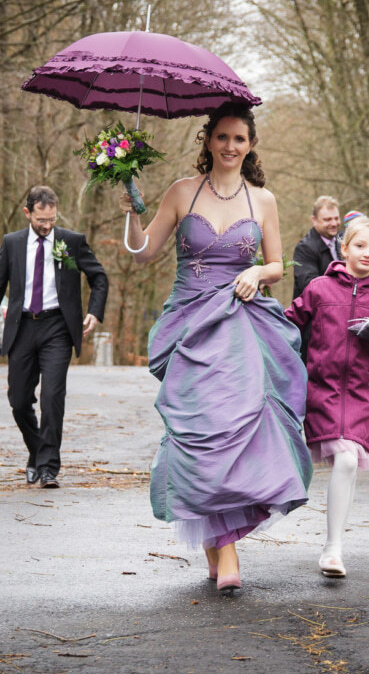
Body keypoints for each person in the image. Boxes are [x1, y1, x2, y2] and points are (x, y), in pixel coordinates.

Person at [120, 102, 312, 594]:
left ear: (250, 146)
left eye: (240, 139)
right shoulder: (182, 192)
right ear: (208, 140)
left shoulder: (262, 200)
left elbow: (277, 265)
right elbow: (144, 253)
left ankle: (224, 547)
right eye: (222, 137)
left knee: (237, 428)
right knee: (198, 431)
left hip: (241, 322)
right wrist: (131, 212)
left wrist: (254, 272)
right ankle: (220, 546)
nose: (231, 146)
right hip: (190, 323)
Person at [286, 217, 369, 578]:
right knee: (345, 461)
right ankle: (332, 547)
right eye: (360, 246)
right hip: (320, 390)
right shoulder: (319, 288)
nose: (367, 254)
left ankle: (333, 549)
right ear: (344, 248)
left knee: (348, 462)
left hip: (362, 392)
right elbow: (288, 322)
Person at [0, 186, 108, 489]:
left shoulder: (70, 242)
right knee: (19, 400)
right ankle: (37, 452)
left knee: (52, 397)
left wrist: (94, 312)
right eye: (40, 220)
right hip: (22, 327)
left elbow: (98, 276)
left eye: (51, 220)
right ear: (28, 213)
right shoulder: (12, 243)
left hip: (57, 328)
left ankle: (49, 467)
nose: (46, 226)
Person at [292, 195, 342, 299]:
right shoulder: (304, 248)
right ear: (314, 220)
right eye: (327, 219)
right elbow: (308, 285)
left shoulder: (342, 242)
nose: (334, 223)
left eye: (336, 218)